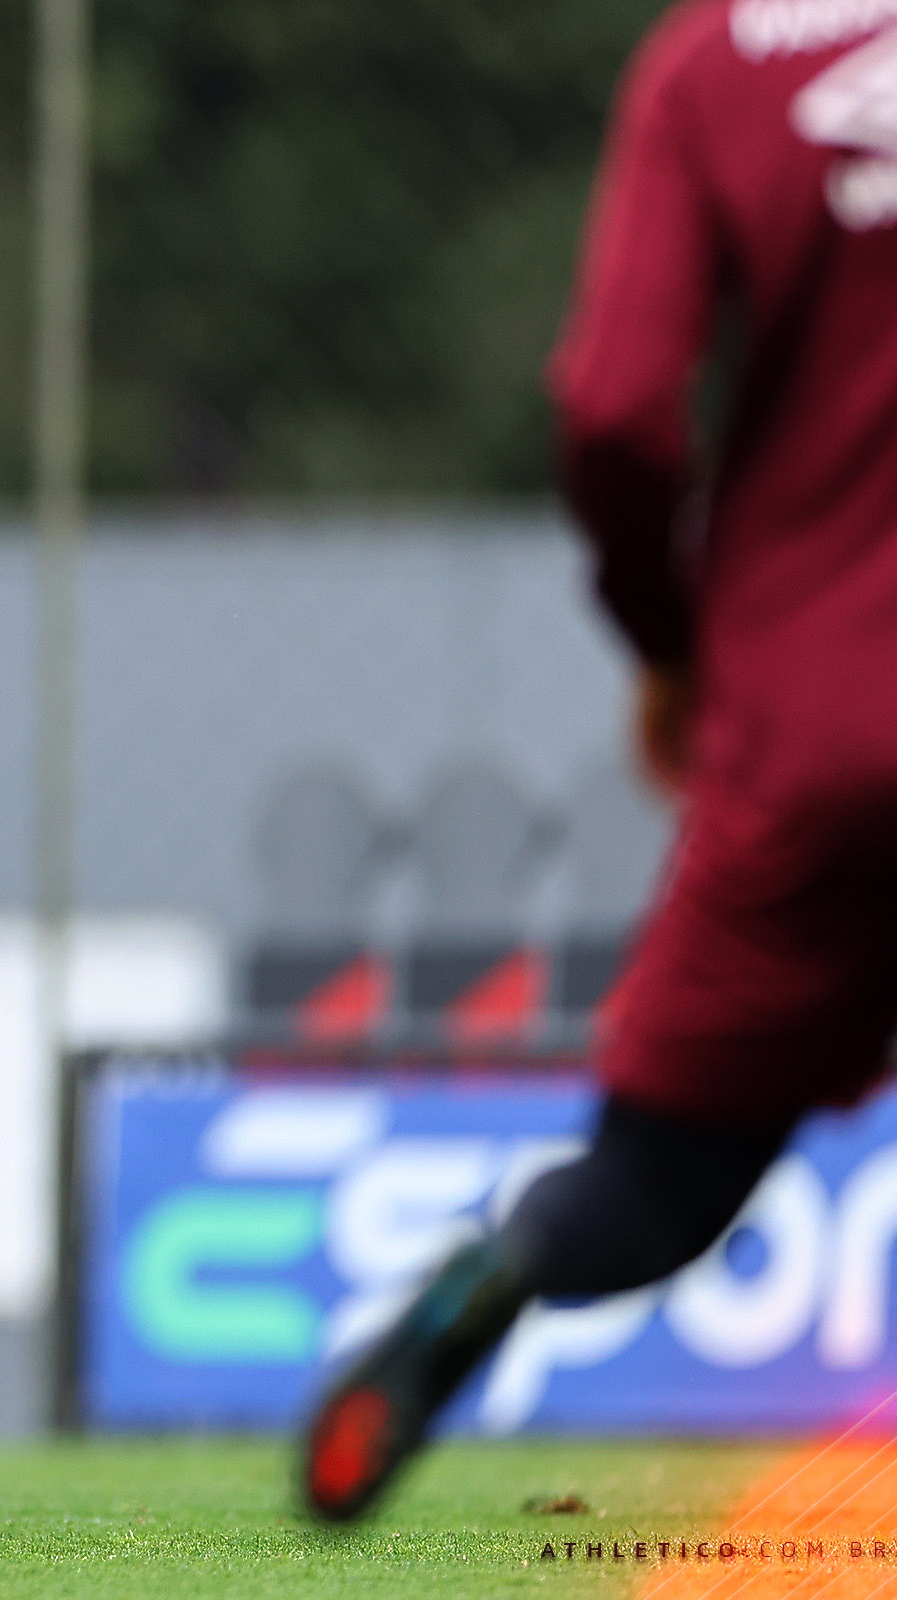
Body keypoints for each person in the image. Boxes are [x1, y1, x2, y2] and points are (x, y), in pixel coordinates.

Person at [297, 0, 897, 1522]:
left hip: (810, 721)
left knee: (657, 1176)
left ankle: (509, 1269)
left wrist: (676, 641)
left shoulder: (713, 67)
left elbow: (617, 410)